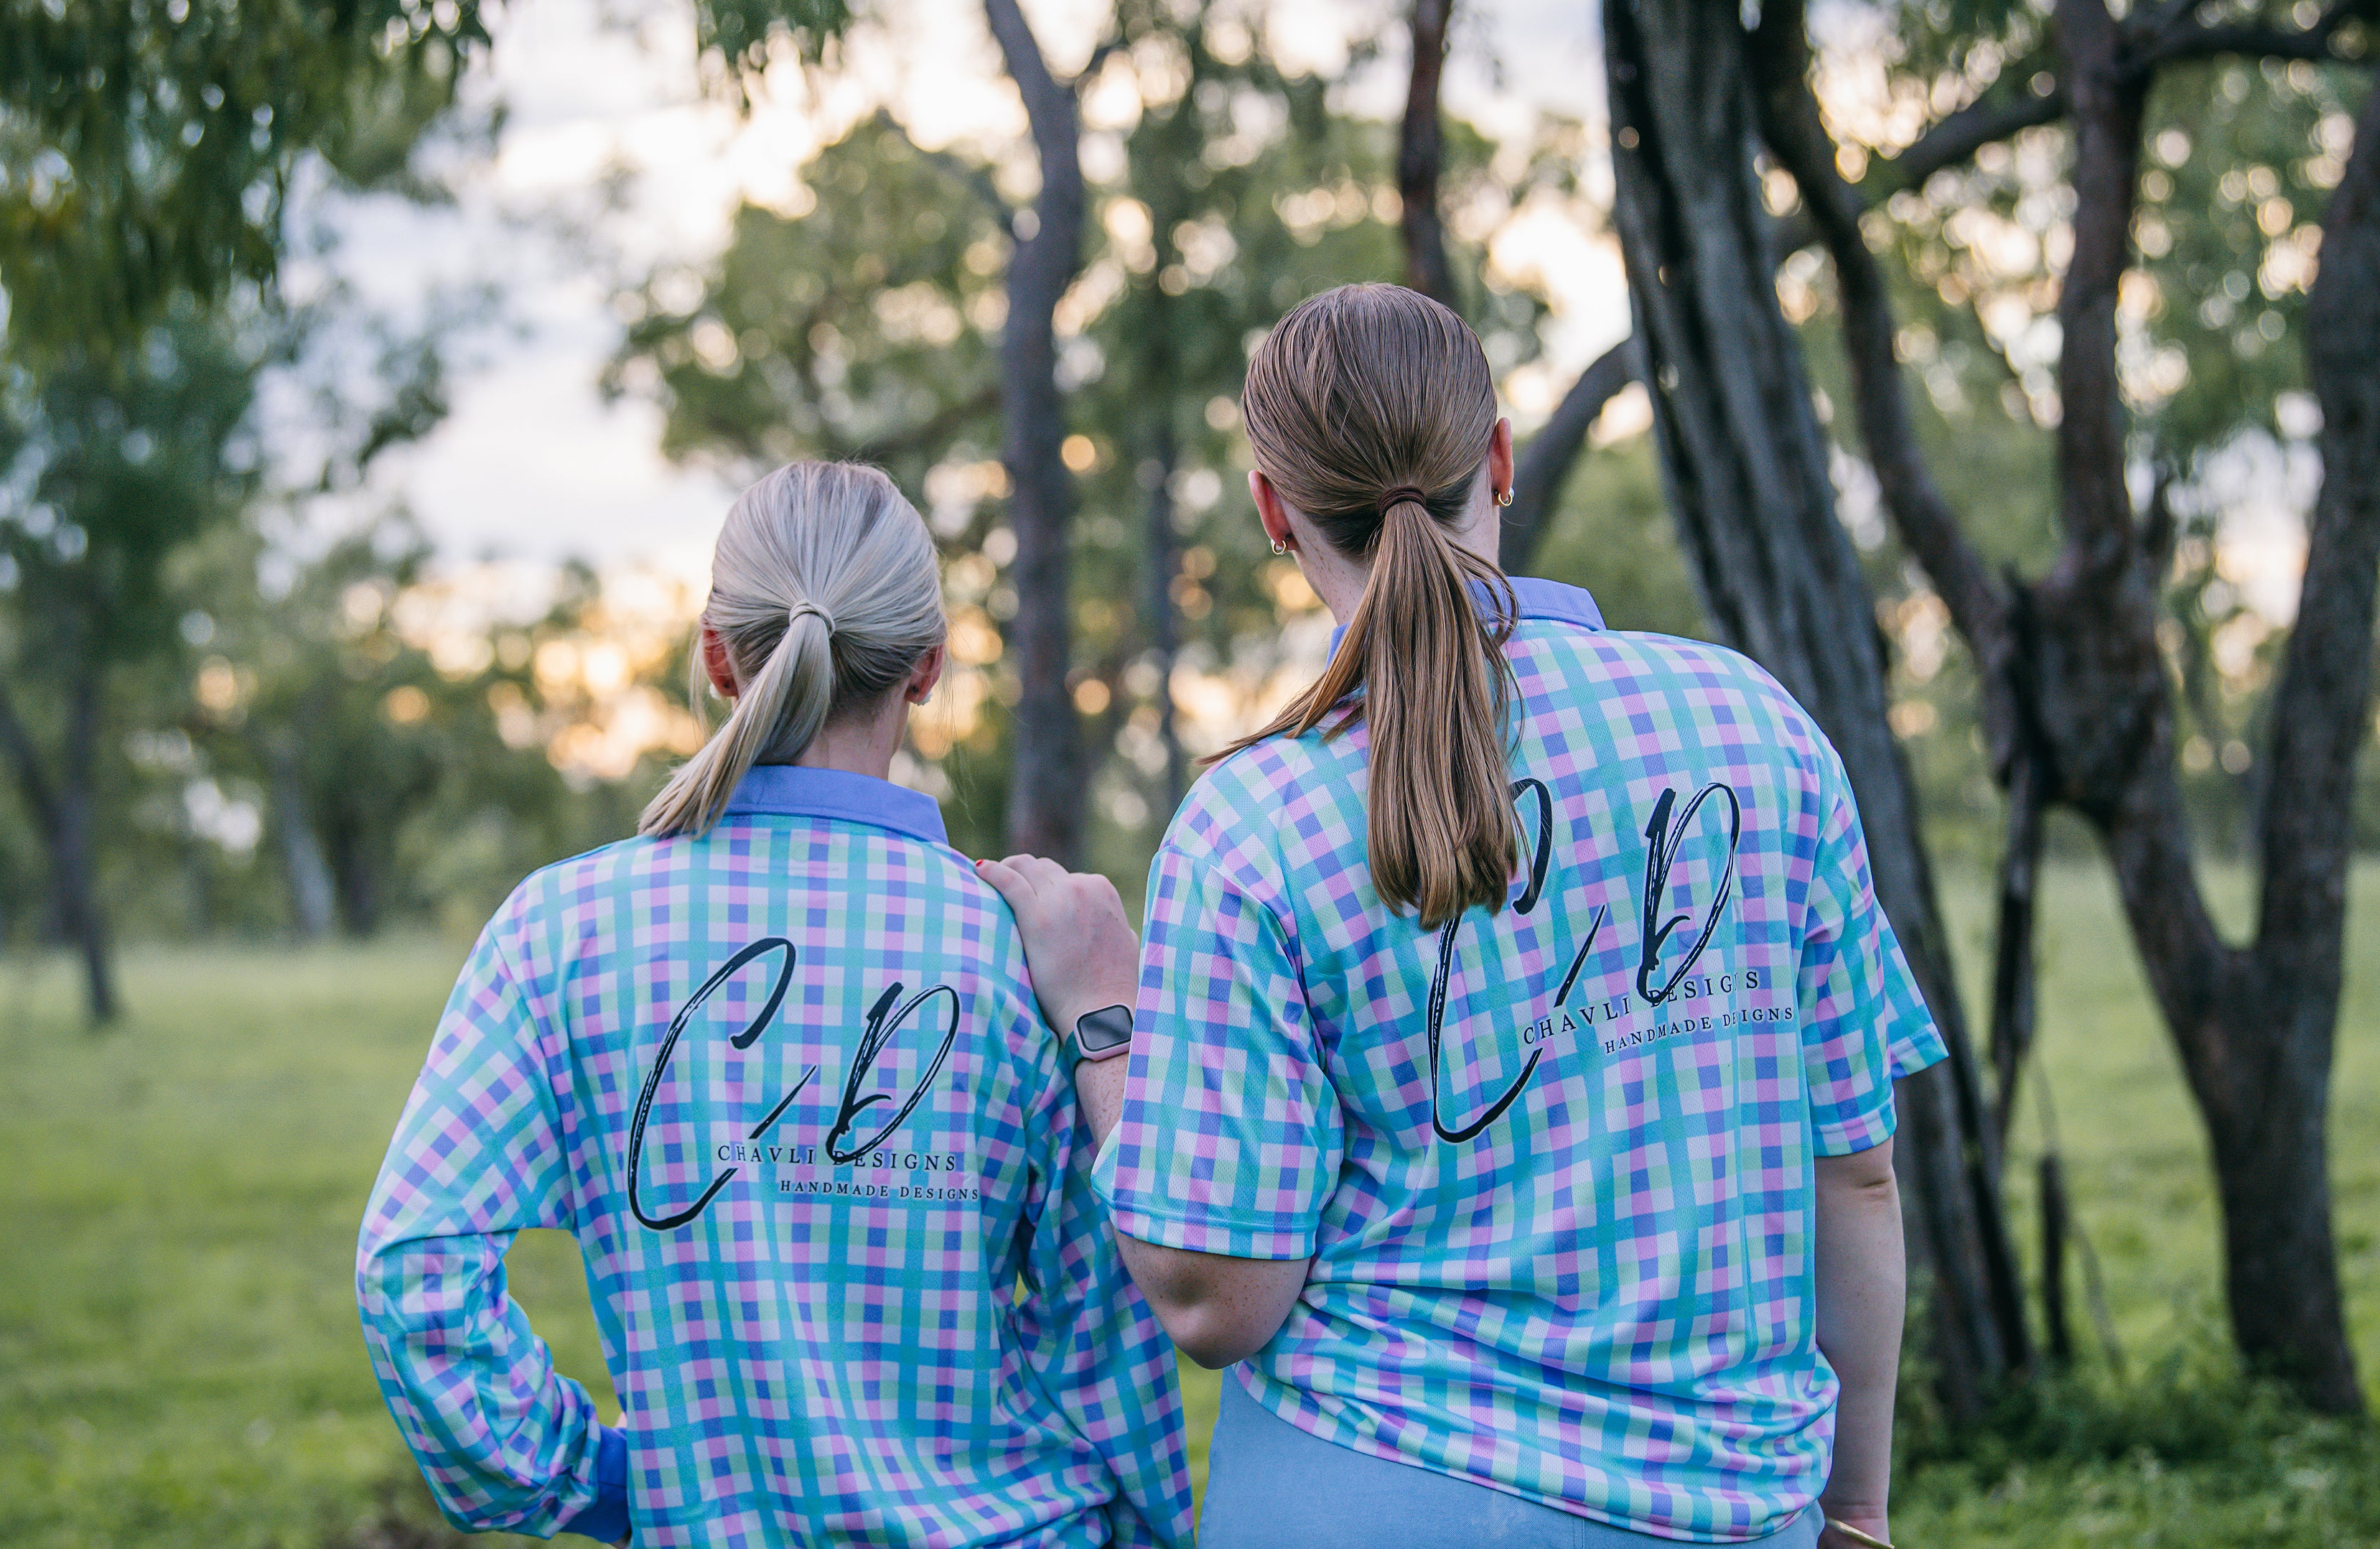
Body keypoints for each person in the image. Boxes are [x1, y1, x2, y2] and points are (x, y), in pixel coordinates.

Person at [981, 284, 1936, 1549]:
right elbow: (1856, 1177)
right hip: (1727, 1511)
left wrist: (1107, 1014)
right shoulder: (1756, 732)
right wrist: (1854, 1508)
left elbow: (1220, 1302)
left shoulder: (1256, 824)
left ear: (1273, 510)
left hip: (1365, 1495)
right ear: (1496, 457)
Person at [358, 461, 1190, 1548]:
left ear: (716, 655)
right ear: (928, 668)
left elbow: (414, 1269)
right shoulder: (1028, 956)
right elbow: (1104, 1336)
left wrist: (588, 1479)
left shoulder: (559, 933)